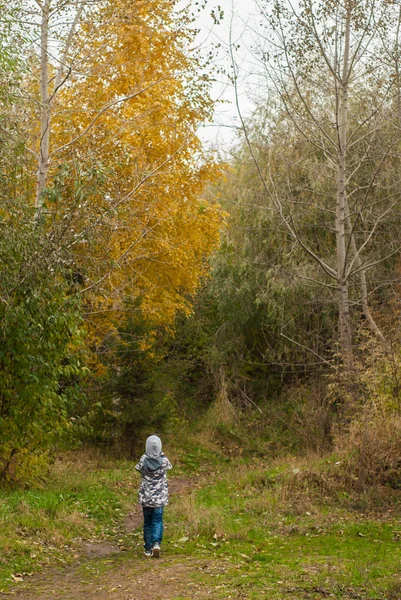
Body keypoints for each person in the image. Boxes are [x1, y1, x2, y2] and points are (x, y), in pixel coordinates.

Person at [135, 434, 172, 558]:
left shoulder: (143, 460)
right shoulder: (164, 461)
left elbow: (139, 468)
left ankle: (147, 548)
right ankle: (156, 543)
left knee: (147, 523)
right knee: (157, 521)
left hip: (146, 498)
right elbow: (168, 467)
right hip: (159, 499)